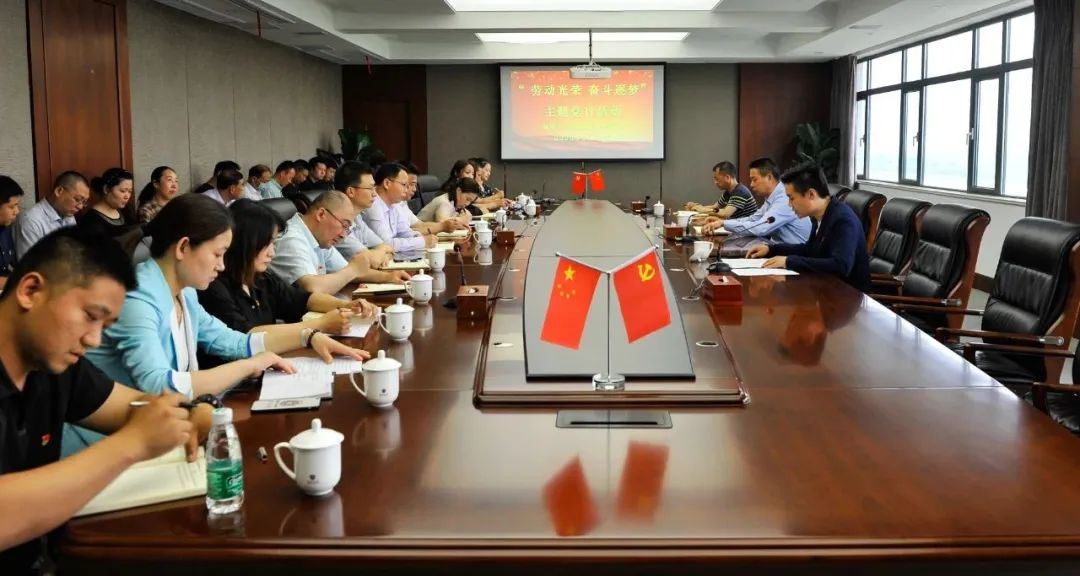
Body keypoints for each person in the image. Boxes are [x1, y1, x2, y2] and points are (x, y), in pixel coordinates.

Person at [72, 194, 366, 453]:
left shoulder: (184, 291)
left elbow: (232, 340)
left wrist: (308, 337)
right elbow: (161, 385)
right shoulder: (139, 298)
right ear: (183, 247)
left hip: (164, 434)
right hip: (102, 449)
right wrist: (249, 365)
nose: (222, 265)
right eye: (217, 254)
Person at [0, 227, 212, 573]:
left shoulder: (55, 365)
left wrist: (197, 414)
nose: (94, 340)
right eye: (90, 316)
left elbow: (137, 408)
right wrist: (131, 444)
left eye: (105, 325)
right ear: (31, 290)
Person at [199, 200, 376, 341]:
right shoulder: (213, 285)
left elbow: (303, 299)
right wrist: (320, 324)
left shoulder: (261, 279)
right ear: (245, 242)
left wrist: (346, 306)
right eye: (267, 244)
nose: (272, 252)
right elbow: (246, 336)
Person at [746, 162, 870, 292]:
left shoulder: (842, 219)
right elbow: (810, 250)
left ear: (811, 194)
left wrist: (788, 261)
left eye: (791, 198)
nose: (789, 204)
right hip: (825, 288)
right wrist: (770, 249)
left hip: (849, 296)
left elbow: (841, 265)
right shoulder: (821, 215)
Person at [270, 190, 410, 294]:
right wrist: (353, 269)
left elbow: (345, 271)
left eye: (348, 228)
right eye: (344, 225)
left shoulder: (319, 237)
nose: (343, 234)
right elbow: (312, 288)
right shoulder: (291, 239)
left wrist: (389, 277)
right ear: (321, 214)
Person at [703, 157, 810, 244]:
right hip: (779, 248)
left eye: (754, 180)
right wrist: (722, 222)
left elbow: (760, 228)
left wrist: (724, 224)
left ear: (769, 177)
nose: (751, 184)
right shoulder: (772, 197)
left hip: (794, 254)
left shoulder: (784, 199)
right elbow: (753, 219)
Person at [362, 163, 436, 252]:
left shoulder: (395, 204)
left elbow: (403, 232)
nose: (406, 189)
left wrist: (419, 237)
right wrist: (422, 241)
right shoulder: (373, 205)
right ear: (387, 183)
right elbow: (386, 244)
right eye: (404, 184)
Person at [14, 171, 88, 259]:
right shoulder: (31, 220)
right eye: (77, 199)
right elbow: (29, 263)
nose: (80, 207)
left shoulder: (68, 214)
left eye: (84, 202)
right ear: (59, 191)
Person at [334, 162, 395, 262]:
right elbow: (369, 260)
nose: (375, 194)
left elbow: (387, 248)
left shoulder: (357, 218)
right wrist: (379, 255)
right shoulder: (337, 224)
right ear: (351, 192)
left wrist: (379, 255)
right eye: (370, 188)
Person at [77, 168, 143, 254]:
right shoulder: (91, 220)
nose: (127, 196)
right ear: (106, 189)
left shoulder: (127, 210)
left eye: (129, 191)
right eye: (123, 191)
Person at [398, 161, 468, 235]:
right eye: (404, 184)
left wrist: (444, 225)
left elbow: (419, 224)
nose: (414, 189)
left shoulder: (402, 203)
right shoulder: (444, 201)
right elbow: (402, 235)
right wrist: (442, 226)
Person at [688, 161, 757, 221]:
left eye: (717, 179)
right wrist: (696, 207)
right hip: (737, 226)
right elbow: (715, 207)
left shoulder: (740, 191)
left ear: (727, 177)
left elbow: (725, 213)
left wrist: (702, 209)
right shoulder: (728, 191)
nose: (715, 182)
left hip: (747, 229)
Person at [0, 176, 25, 288]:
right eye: (12, 207)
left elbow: (8, 265)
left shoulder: (5, 228)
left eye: (17, 205)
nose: (17, 211)